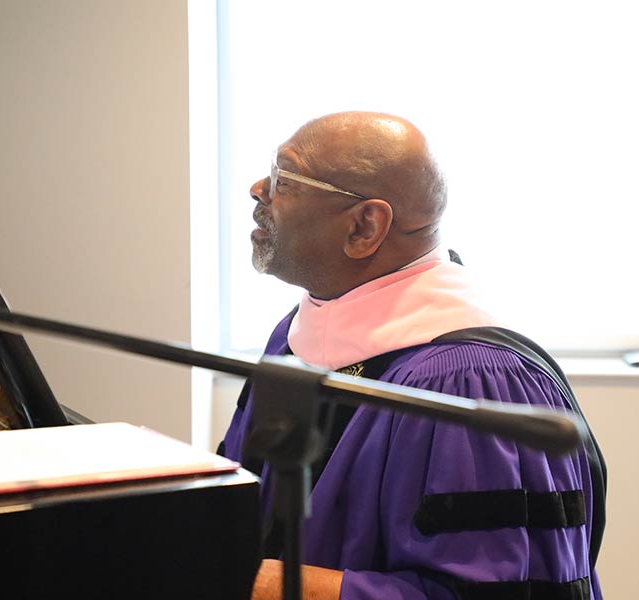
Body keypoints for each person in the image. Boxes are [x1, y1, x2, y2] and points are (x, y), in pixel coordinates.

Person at [220, 112, 606, 600]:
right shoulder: (296, 338)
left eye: (283, 179)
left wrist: (279, 587)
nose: (258, 190)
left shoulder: (471, 383)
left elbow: (501, 592)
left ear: (365, 226)